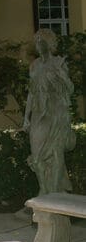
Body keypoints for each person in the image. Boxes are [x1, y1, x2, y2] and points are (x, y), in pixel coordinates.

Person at [23, 29, 76, 195]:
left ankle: (52, 191)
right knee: (36, 156)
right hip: (39, 112)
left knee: (55, 150)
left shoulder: (59, 63)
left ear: (49, 44)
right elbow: (31, 93)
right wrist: (26, 118)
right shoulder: (34, 65)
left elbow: (70, 89)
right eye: (37, 41)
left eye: (42, 41)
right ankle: (44, 188)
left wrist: (61, 74)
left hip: (56, 112)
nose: (39, 45)